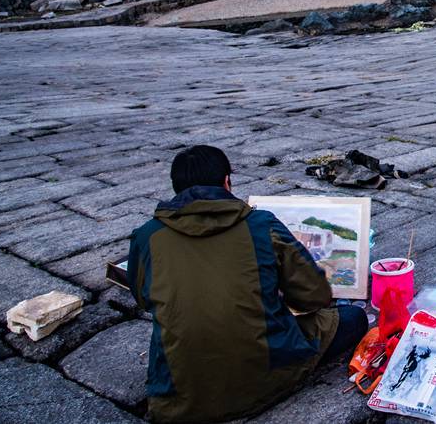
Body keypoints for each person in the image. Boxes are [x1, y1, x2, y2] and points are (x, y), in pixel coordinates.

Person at [127, 146, 367, 423]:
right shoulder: (260, 224)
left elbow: (144, 299)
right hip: (266, 378)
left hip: (179, 401)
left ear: (176, 189)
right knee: (354, 317)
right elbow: (315, 296)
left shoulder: (147, 237)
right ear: (227, 181)